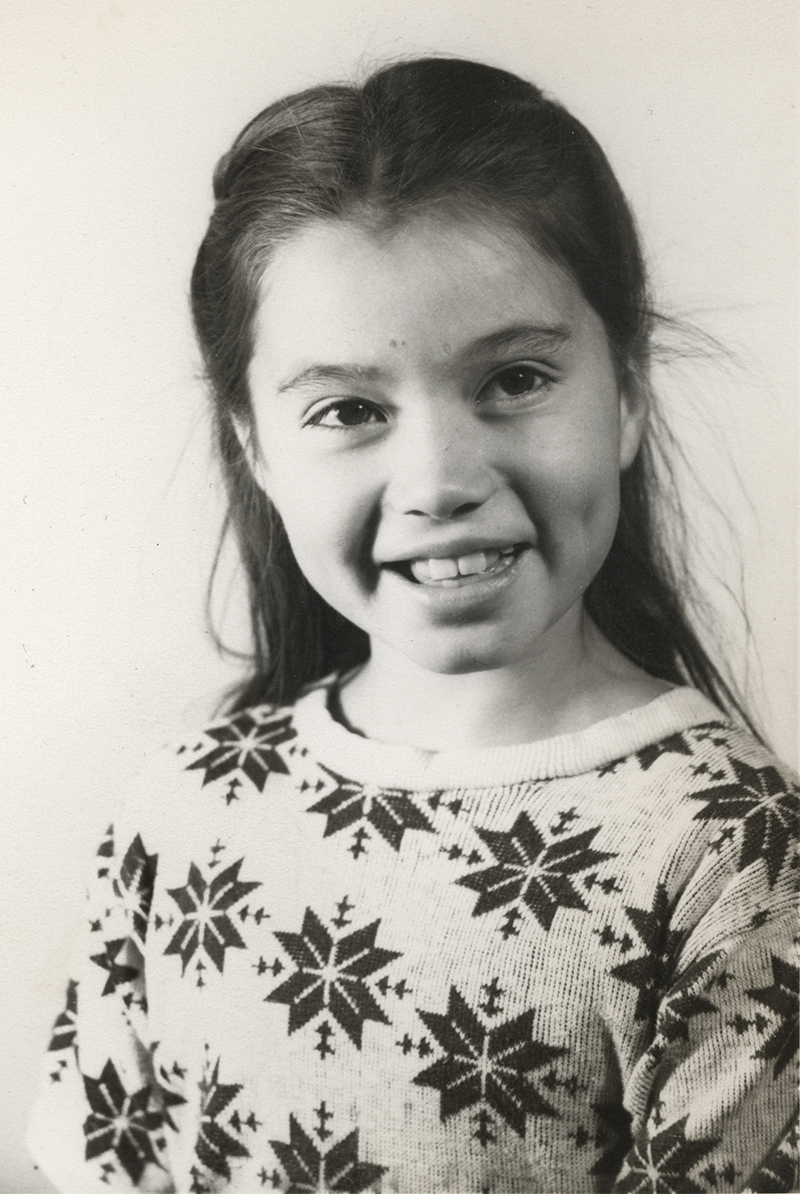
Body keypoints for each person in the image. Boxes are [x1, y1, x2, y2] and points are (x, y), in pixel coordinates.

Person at [28, 57, 798, 1193]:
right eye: (348, 409)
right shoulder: (187, 805)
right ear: (254, 446)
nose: (439, 479)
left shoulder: (729, 854)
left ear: (628, 393)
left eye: (516, 380)